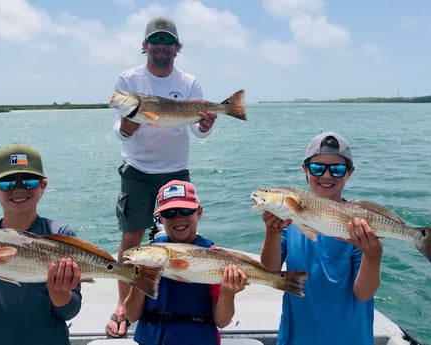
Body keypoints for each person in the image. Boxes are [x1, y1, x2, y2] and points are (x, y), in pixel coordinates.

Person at [108, 17, 218, 337]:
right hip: (138, 170)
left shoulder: (189, 82)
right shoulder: (128, 80)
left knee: (183, 239)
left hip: (176, 169)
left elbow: (198, 132)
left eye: (167, 41)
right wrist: (128, 124)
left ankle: (193, 301)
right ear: (145, 46)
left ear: (177, 48)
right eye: (155, 40)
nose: (161, 45)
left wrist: (206, 125)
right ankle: (123, 304)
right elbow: (121, 130)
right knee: (131, 239)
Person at [259, 131, 383, 345]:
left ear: (349, 172)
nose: (326, 176)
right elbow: (271, 271)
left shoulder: (355, 224)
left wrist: (373, 256)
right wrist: (272, 233)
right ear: (305, 169)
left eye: (336, 169)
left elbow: (363, 293)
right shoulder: (288, 222)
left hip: (350, 338)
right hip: (296, 337)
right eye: (317, 168)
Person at [0, 144, 82, 345]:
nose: (19, 188)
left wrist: (60, 293)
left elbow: (69, 312)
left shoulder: (61, 236)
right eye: (7, 182)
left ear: (43, 186)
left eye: (29, 181)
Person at [124, 180, 247, 344]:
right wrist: (141, 279)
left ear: (199, 212)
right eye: (169, 213)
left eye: (186, 210)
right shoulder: (150, 255)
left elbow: (222, 321)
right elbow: (132, 314)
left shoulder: (213, 256)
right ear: (160, 218)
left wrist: (228, 293)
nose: (178, 217)